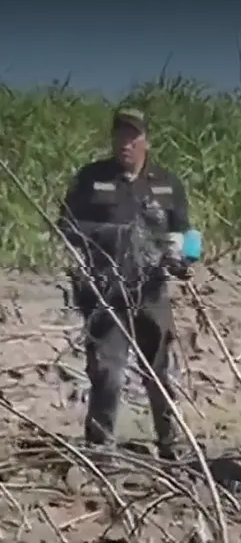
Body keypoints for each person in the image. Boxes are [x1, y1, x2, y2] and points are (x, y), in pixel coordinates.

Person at [56, 107, 193, 462]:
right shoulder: (91, 178)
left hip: (151, 290)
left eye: (133, 136)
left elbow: (186, 233)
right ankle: (100, 452)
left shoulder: (167, 183)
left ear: (146, 140)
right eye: (119, 135)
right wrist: (107, 240)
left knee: (160, 371)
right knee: (107, 373)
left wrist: (184, 254)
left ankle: (170, 446)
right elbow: (67, 227)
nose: (125, 143)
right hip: (105, 292)